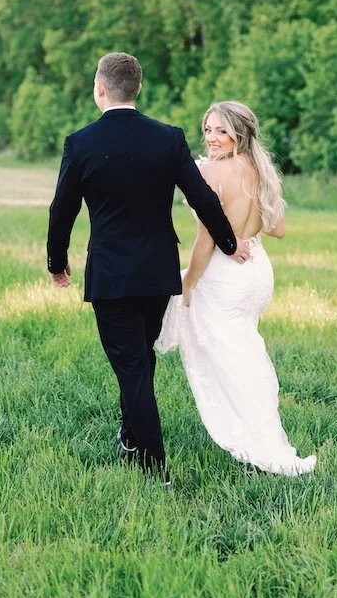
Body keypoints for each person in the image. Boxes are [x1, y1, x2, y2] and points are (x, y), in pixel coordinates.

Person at [46, 54, 251, 483]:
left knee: (133, 367)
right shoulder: (168, 138)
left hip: (111, 276)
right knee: (138, 362)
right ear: (136, 89)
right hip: (157, 274)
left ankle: (153, 466)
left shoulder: (80, 143)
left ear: (100, 89)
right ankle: (131, 436)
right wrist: (229, 243)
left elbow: (61, 210)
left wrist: (56, 262)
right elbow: (202, 198)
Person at [157, 101, 317, 476]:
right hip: (257, 272)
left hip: (226, 276)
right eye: (208, 129)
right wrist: (245, 229)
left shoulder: (210, 173)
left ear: (239, 134)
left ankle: (259, 442)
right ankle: (263, 431)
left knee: (230, 361)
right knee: (245, 350)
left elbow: (205, 242)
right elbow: (277, 229)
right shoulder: (261, 169)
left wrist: (188, 284)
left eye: (221, 131)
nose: (212, 138)